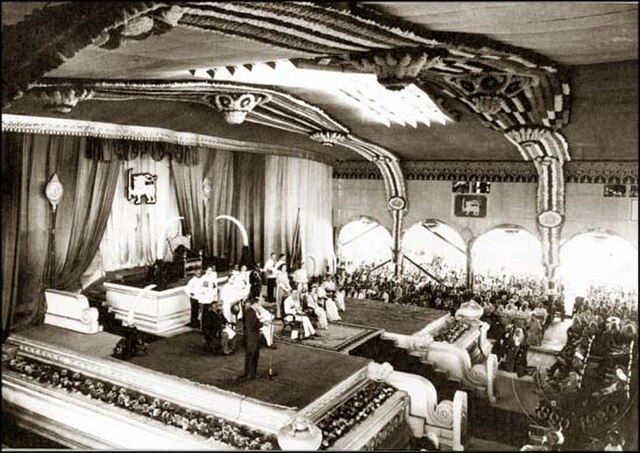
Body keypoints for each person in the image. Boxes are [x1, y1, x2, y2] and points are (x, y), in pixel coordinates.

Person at [241, 298, 263, 380]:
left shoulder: (250, 312)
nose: (260, 306)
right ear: (255, 304)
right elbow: (253, 325)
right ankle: (250, 374)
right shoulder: (251, 312)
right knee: (252, 355)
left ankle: (250, 373)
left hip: (251, 337)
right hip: (252, 337)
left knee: (252, 355)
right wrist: (262, 323)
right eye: (259, 304)